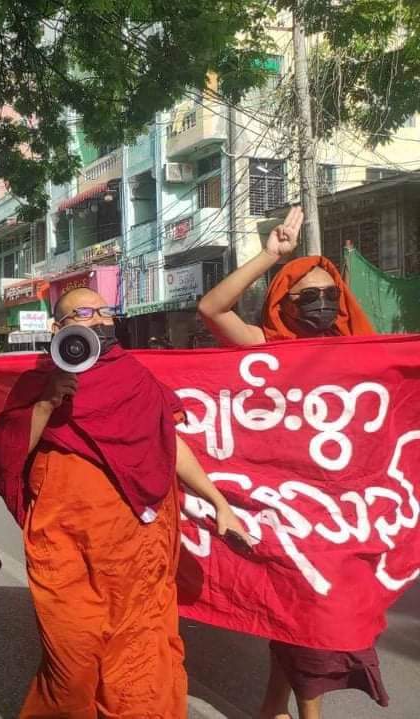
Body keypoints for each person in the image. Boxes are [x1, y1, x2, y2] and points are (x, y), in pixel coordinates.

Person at [0, 286, 254, 718]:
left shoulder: (136, 379)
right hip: (67, 552)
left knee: (138, 664)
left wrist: (218, 501)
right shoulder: (38, 383)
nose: (97, 320)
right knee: (71, 665)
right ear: (57, 328)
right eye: (82, 313)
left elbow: (169, 444)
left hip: (136, 553)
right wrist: (48, 402)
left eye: (104, 312)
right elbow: (6, 454)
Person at [198, 205, 385, 719]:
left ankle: (271, 707)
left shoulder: (364, 353)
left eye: (329, 295)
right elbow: (212, 308)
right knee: (308, 613)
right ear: (285, 302)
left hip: (348, 511)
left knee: (303, 613)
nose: (321, 304)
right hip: (289, 508)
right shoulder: (267, 348)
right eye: (307, 297)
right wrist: (269, 256)